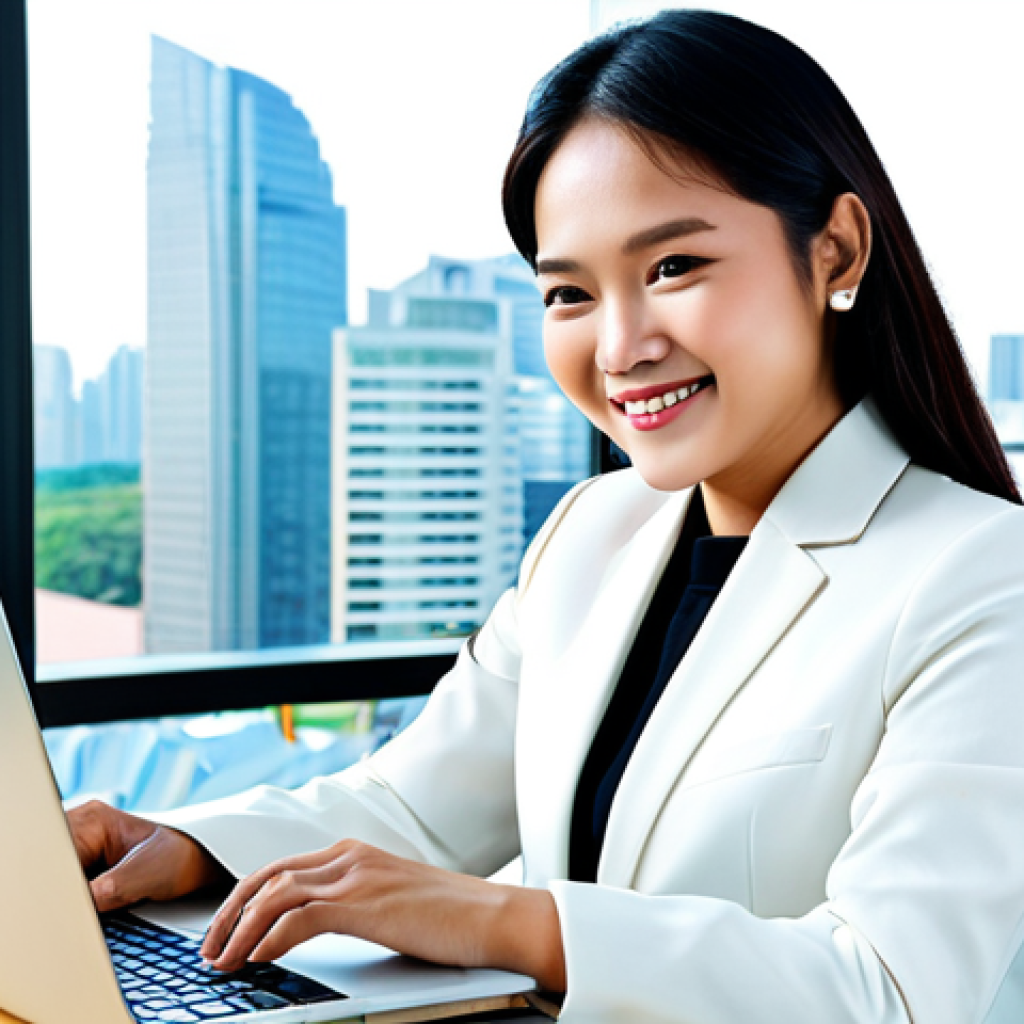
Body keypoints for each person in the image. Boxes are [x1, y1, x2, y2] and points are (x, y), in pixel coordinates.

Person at [68, 11, 1024, 1023]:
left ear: (833, 251)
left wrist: (507, 922)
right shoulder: (590, 533)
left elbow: (889, 989)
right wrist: (186, 850)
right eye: (569, 292)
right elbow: (412, 809)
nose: (619, 346)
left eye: (673, 268)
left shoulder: (979, 574)